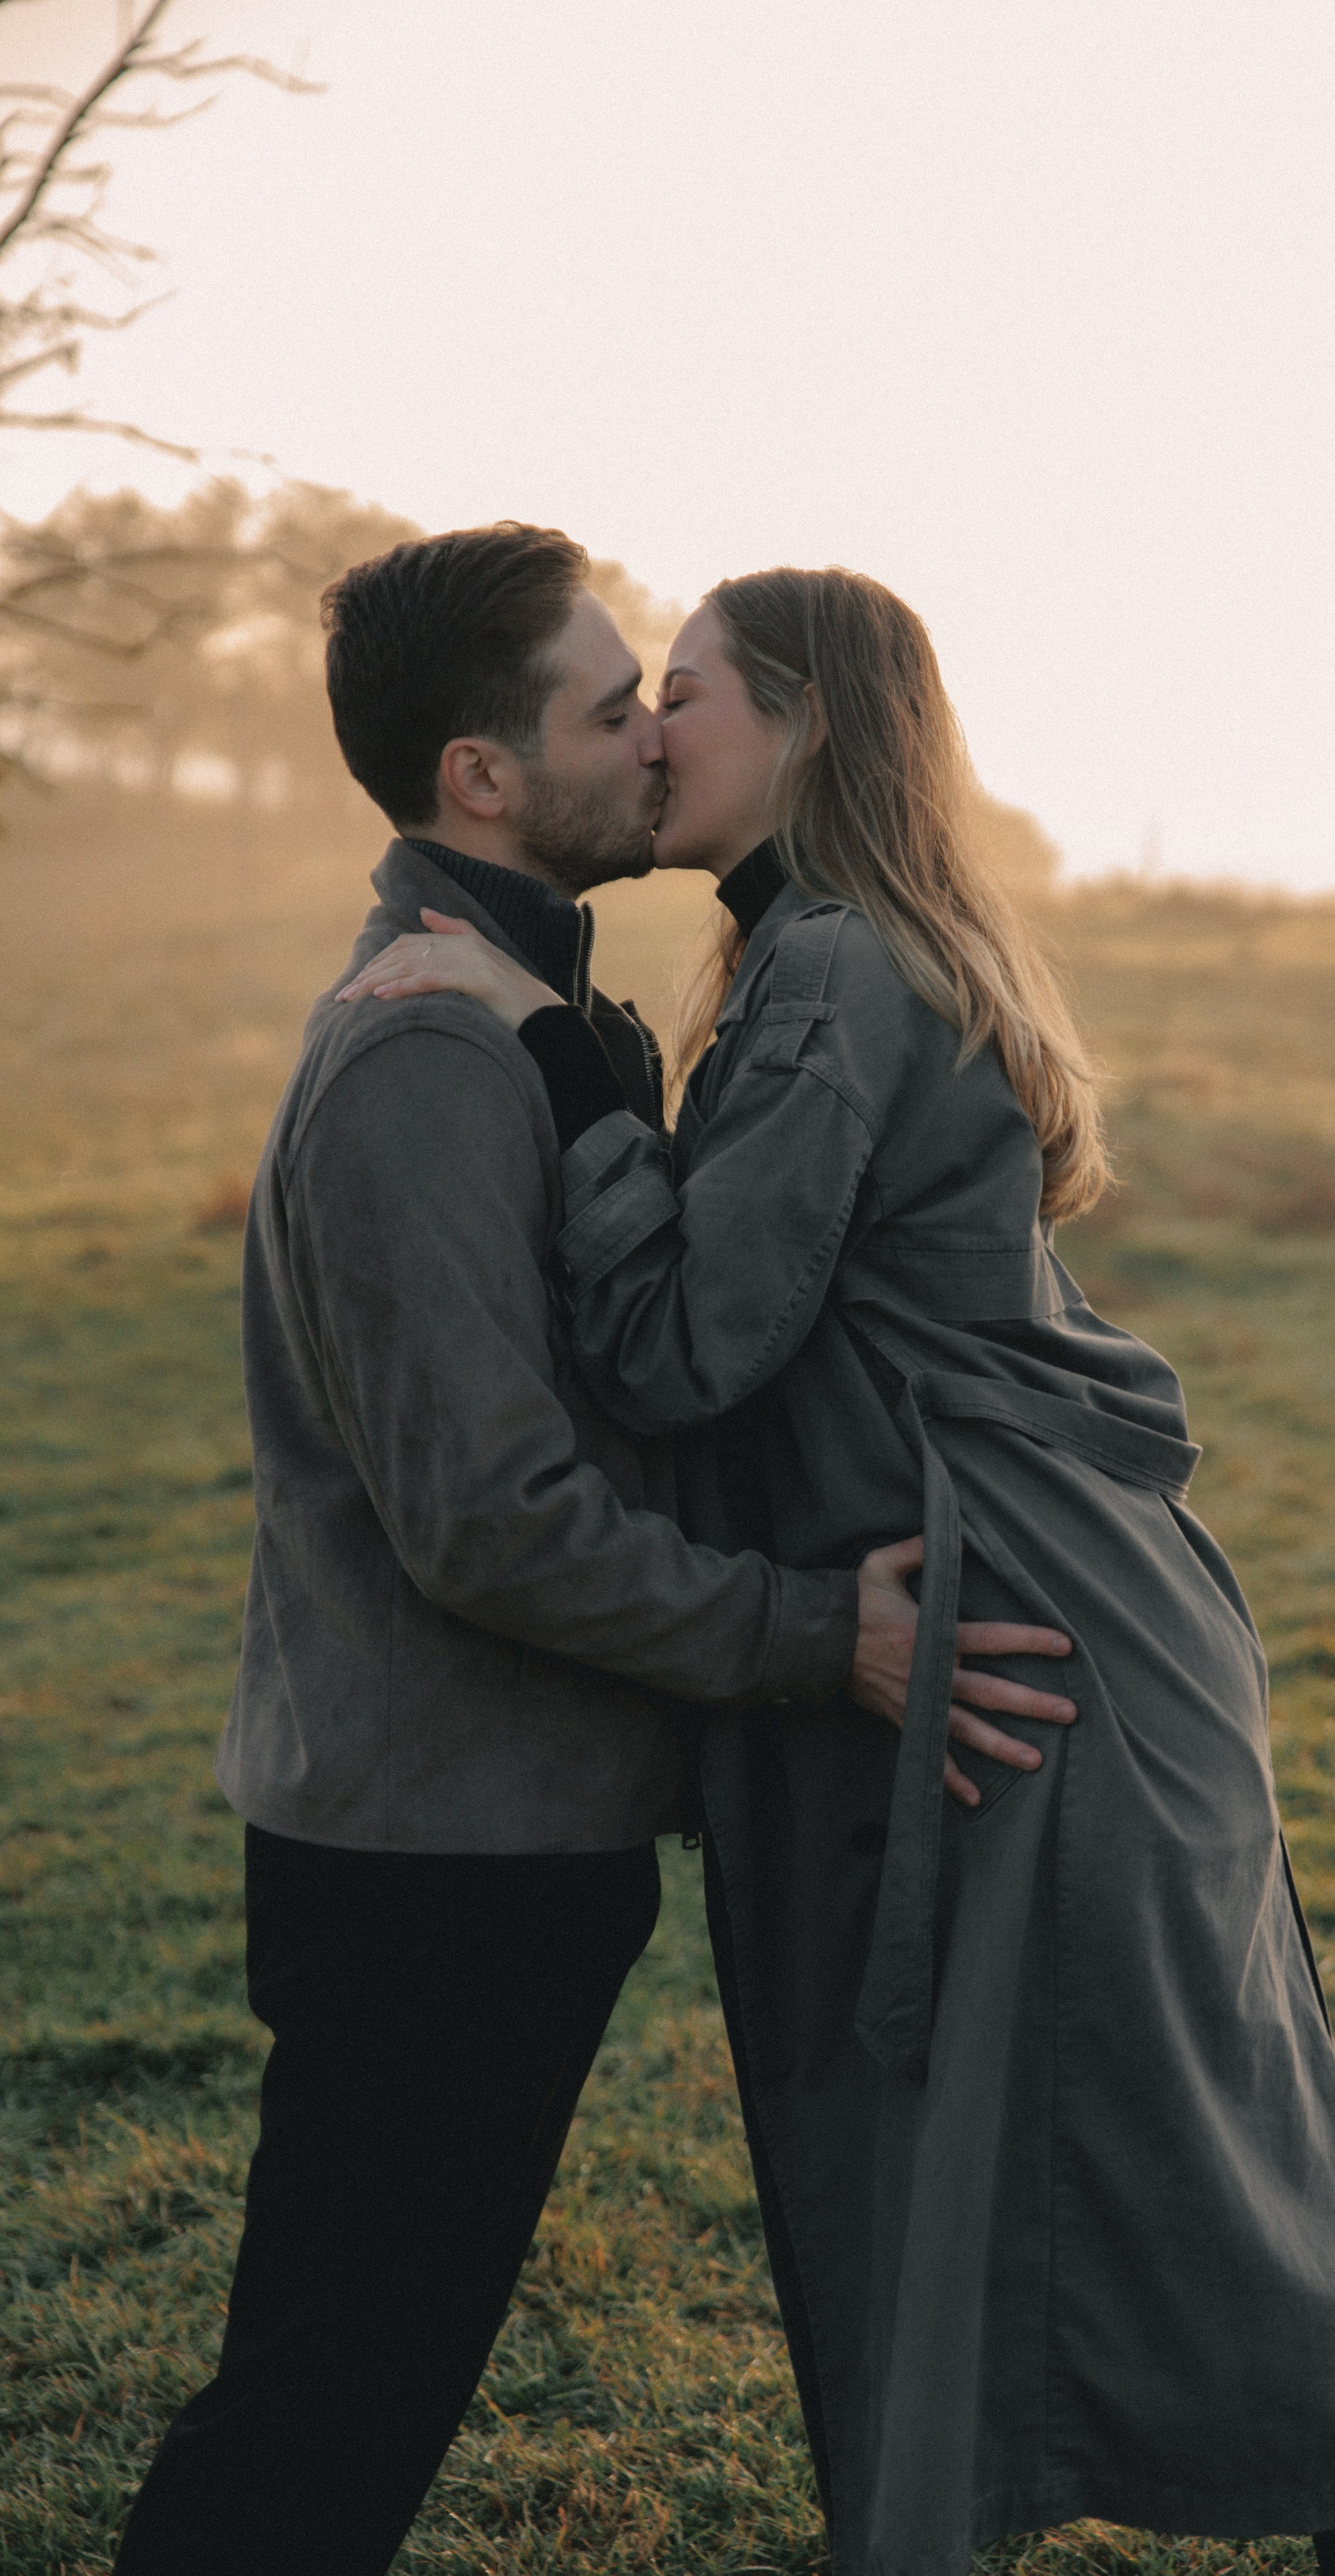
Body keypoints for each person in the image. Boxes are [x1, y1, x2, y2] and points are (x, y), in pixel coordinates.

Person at [349, 564, 1335, 2576]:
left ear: (804, 725)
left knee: (1163, 2145)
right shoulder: (823, 951)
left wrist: (545, 1048)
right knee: (1143, 2133)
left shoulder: (829, 970)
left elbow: (679, 1346)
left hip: (1024, 1637)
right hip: (1060, 1614)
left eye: (686, 691)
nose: (651, 734)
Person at [111, 527, 1075, 2576]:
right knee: (324, 2414)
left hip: (496, 1834)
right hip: (435, 1864)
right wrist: (817, 1637)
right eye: (610, 707)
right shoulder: (431, 1059)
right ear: (482, 778)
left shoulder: (537, 1017)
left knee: (352, 2388)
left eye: (662, 699)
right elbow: (494, 1520)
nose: (652, 740)